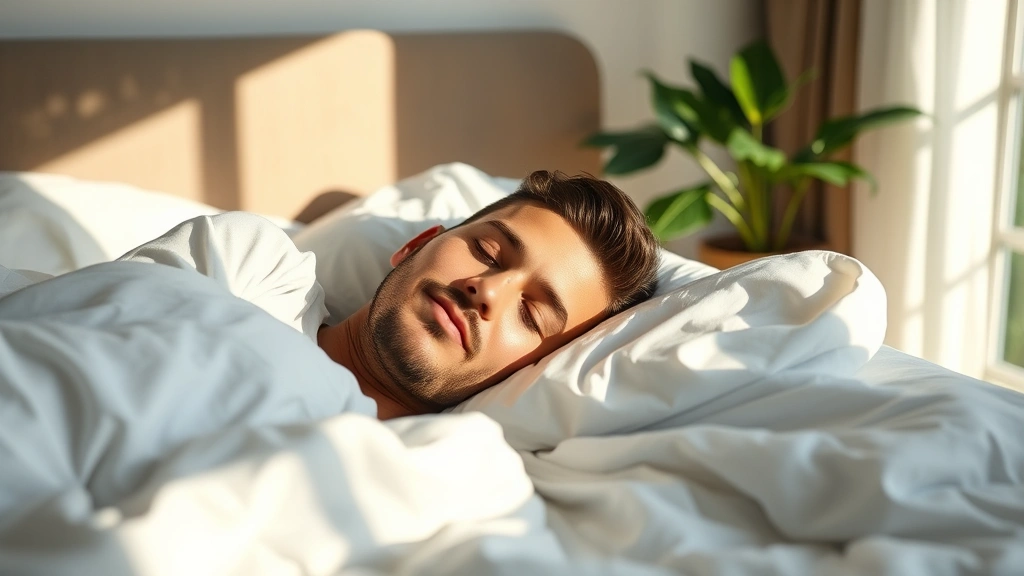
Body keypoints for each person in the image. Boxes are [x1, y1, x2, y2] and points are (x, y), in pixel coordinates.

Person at [319, 169, 660, 418]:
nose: (488, 291)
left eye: (530, 315)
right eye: (487, 252)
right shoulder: (266, 274)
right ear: (417, 244)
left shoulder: (456, 482)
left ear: (535, 368)